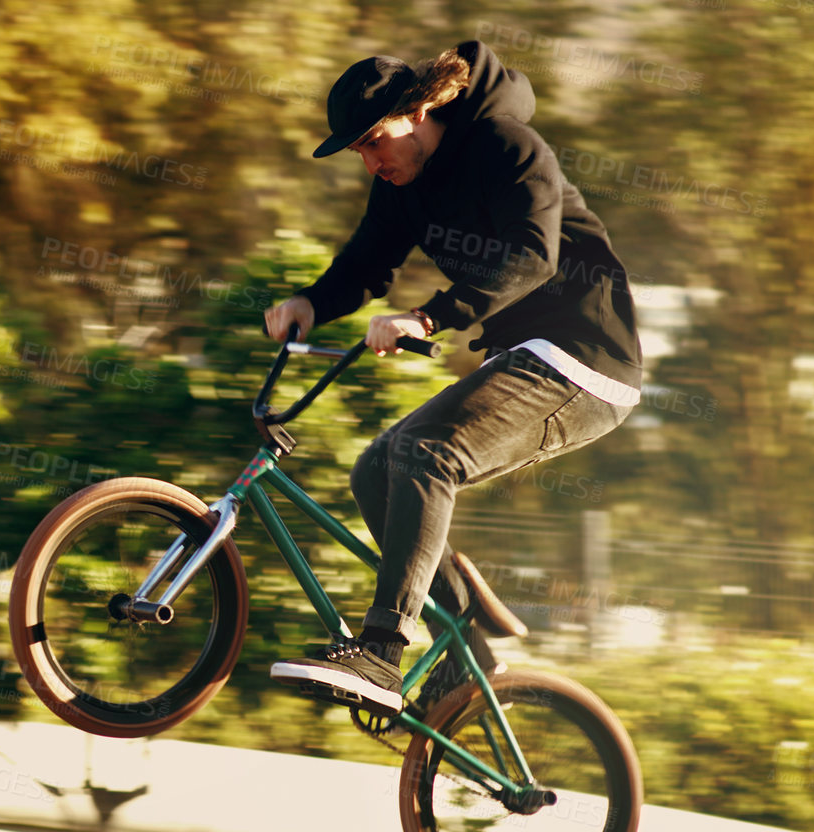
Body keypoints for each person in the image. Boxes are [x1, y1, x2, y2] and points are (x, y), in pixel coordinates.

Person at [264, 40, 643, 715]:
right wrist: (311, 303)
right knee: (374, 470)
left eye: (375, 141)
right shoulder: (401, 183)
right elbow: (366, 264)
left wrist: (428, 319)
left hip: (584, 358)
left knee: (427, 452)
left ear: (419, 112)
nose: (371, 160)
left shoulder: (507, 145)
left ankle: (381, 652)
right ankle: (467, 646)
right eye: (358, 151)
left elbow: (532, 257)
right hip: (525, 356)